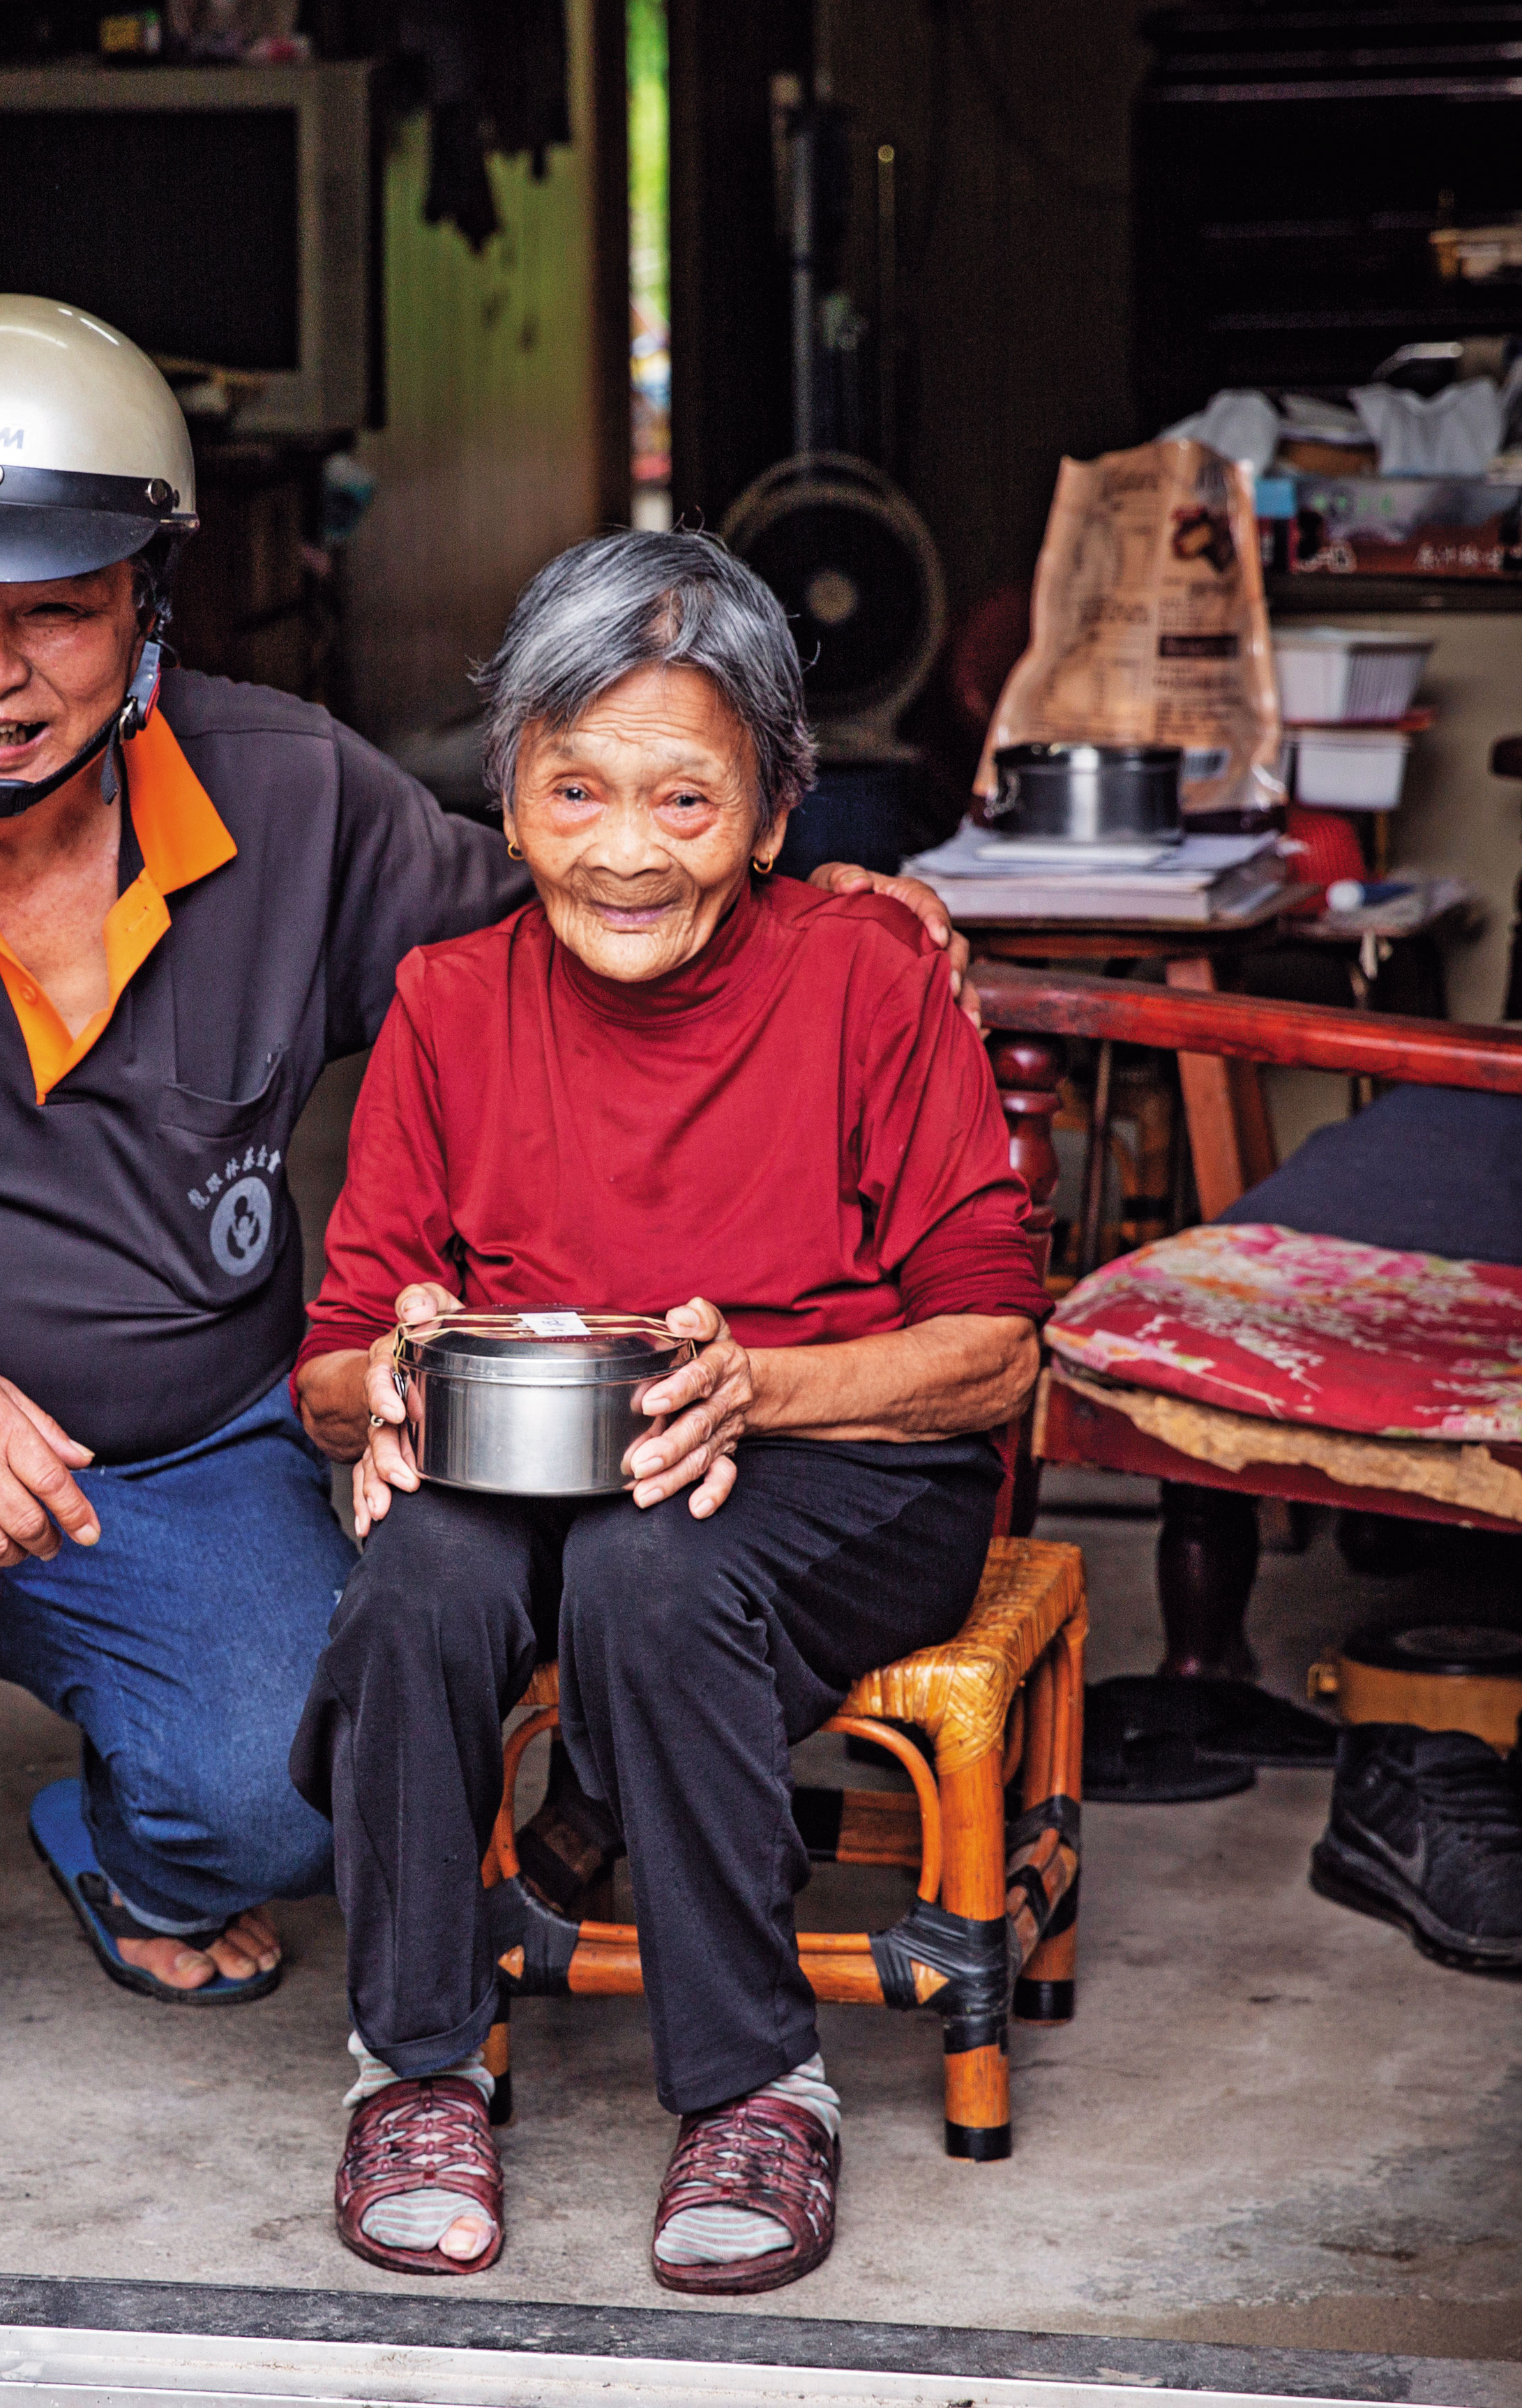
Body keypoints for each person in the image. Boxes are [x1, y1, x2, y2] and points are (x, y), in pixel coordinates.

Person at [0, 297, 966, 2195]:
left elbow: (581, 902)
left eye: (51, 607)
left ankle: (129, 1844)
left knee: (303, 1789)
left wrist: (808, 897)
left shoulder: (290, 795)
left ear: (151, 602)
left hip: (186, 1455)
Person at [288, 531, 1048, 2291]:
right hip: (534, 1453)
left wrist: (756, 1386)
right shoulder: (445, 1004)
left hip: (845, 1456)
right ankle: (412, 2065)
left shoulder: (866, 978)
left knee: (648, 1570)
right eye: (574, 790)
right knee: (418, 1575)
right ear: (510, 799)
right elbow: (332, 1354)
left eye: (685, 801)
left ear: (776, 811)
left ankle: (752, 2089)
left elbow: (993, 1349)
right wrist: (381, 1396)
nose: (624, 851)